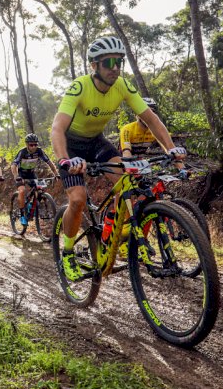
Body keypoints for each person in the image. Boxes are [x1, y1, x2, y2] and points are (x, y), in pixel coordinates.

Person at [50, 36, 186, 281]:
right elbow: (57, 128)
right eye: (108, 62)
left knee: (126, 183)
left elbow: (152, 120)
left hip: (96, 142)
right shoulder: (80, 87)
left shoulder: (122, 85)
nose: (115, 67)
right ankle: (67, 253)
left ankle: (109, 234)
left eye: (119, 62)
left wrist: (171, 149)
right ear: (94, 66)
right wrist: (64, 160)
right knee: (78, 199)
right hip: (71, 147)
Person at [10, 133, 59, 226]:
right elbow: (13, 165)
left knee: (41, 189)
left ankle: (30, 204)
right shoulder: (22, 152)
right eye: (31, 145)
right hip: (21, 174)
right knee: (22, 190)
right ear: (27, 144)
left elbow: (49, 162)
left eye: (35, 144)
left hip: (31, 174)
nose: (34, 147)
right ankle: (22, 215)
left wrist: (56, 174)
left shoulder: (39, 151)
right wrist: (16, 177)